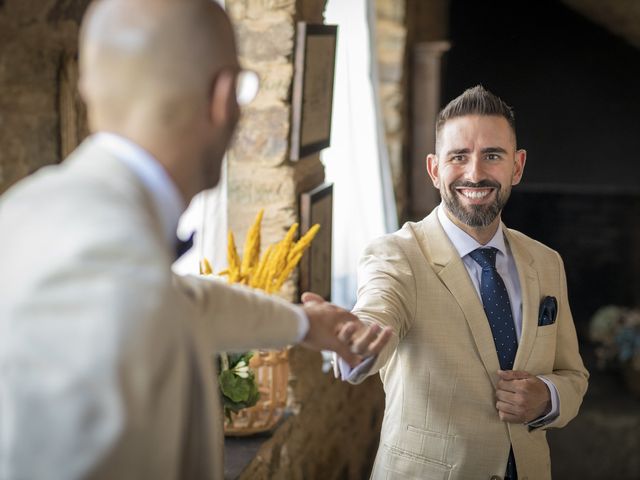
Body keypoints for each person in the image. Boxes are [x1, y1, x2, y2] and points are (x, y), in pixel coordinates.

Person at [0, 1, 379, 479]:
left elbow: (189, 301)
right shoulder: (111, 283)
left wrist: (304, 324)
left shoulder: (31, 208)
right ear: (224, 98)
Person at [325, 85, 589, 479]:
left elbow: (573, 376)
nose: (475, 173)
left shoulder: (547, 263)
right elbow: (376, 312)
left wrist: (547, 398)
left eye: (492, 156)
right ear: (434, 169)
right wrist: (354, 342)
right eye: (459, 157)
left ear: (517, 166)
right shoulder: (395, 256)